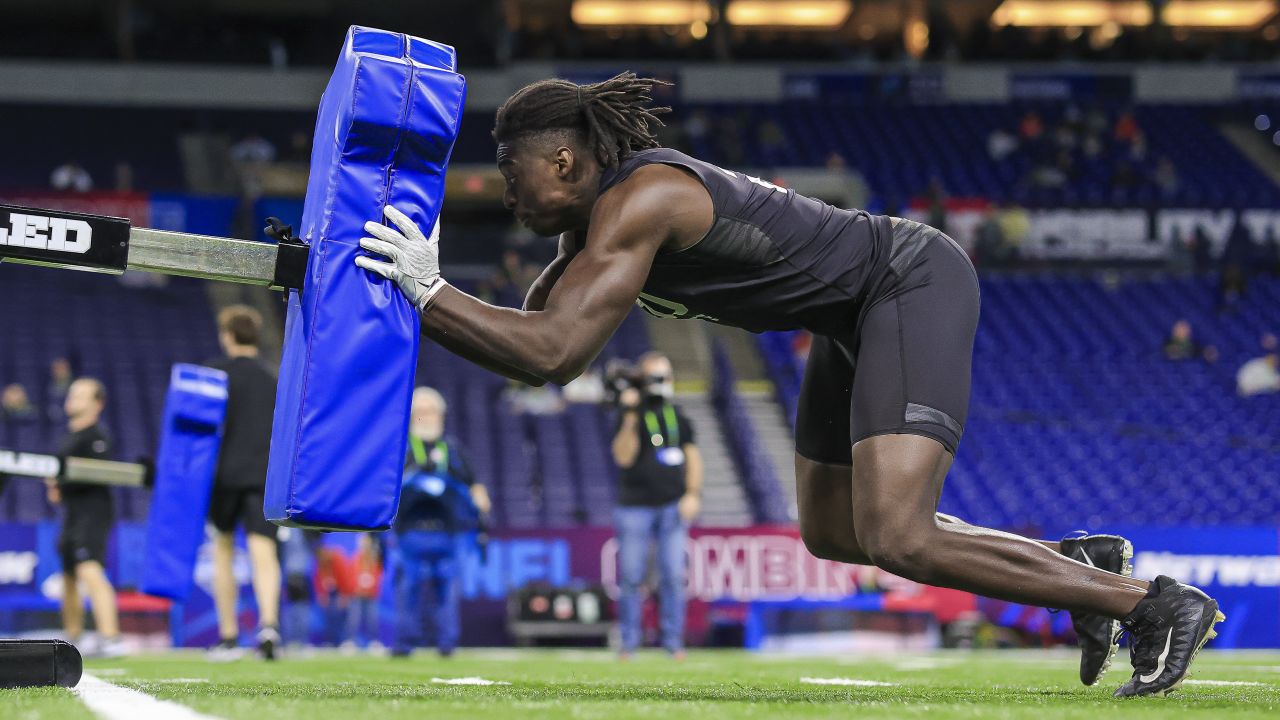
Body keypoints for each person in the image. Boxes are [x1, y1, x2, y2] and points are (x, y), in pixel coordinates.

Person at [354, 72, 1222, 697]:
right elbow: (540, 349)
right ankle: (1076, 567)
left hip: (905, 281)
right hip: (851, 318)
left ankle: (1151, 603)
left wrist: (426, 289)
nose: (505, 194)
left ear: (567, 163)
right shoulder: (583, 243)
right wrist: (422, 297)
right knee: (835, 530)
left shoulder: (642, 200)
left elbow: (548, 351)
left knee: (898, 535)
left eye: (513, 173)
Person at [610, 352, 701, 659]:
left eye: (665, 377)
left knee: (674, 576)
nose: (661, 384)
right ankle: (629, 644)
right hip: (634, 505)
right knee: (632, 576)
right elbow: (623, 456)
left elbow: (692, 457)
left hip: (672, 505)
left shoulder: (679, 416)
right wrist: (632, 414)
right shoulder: (628, 414)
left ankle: (673, 643)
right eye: (654, 378)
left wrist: (692, 493)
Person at [206, 305, 282, 661]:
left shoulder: (212, 375)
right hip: (262, 476)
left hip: (222, 476)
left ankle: (229, 635)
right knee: (263, 553)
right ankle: (269, 626)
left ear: (228, 336)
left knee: (223, 551)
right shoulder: (274, 378)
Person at [390, 387, 488, 657]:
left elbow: (477, 487)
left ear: (442, 415)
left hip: (448, 532)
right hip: (410, 533)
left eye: (431, 411)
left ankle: (447, 644)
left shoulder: (453, 450)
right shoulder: (401, 449)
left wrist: (479, 504)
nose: (427, 417)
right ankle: (404, 644)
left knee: (446, 591)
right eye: (420, 412)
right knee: (407, 589)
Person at [44, 378, 123, 658]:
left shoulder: (97, 436)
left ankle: (111, 638)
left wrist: (62, 480)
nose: (72, 398)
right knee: (68, 575)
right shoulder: (68, 438)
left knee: (89, 568)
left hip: (93, 511)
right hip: (71, 513)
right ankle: (72, 639)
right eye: (72, 393)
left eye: (81, 394)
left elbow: (96, 471)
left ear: (97, 404)